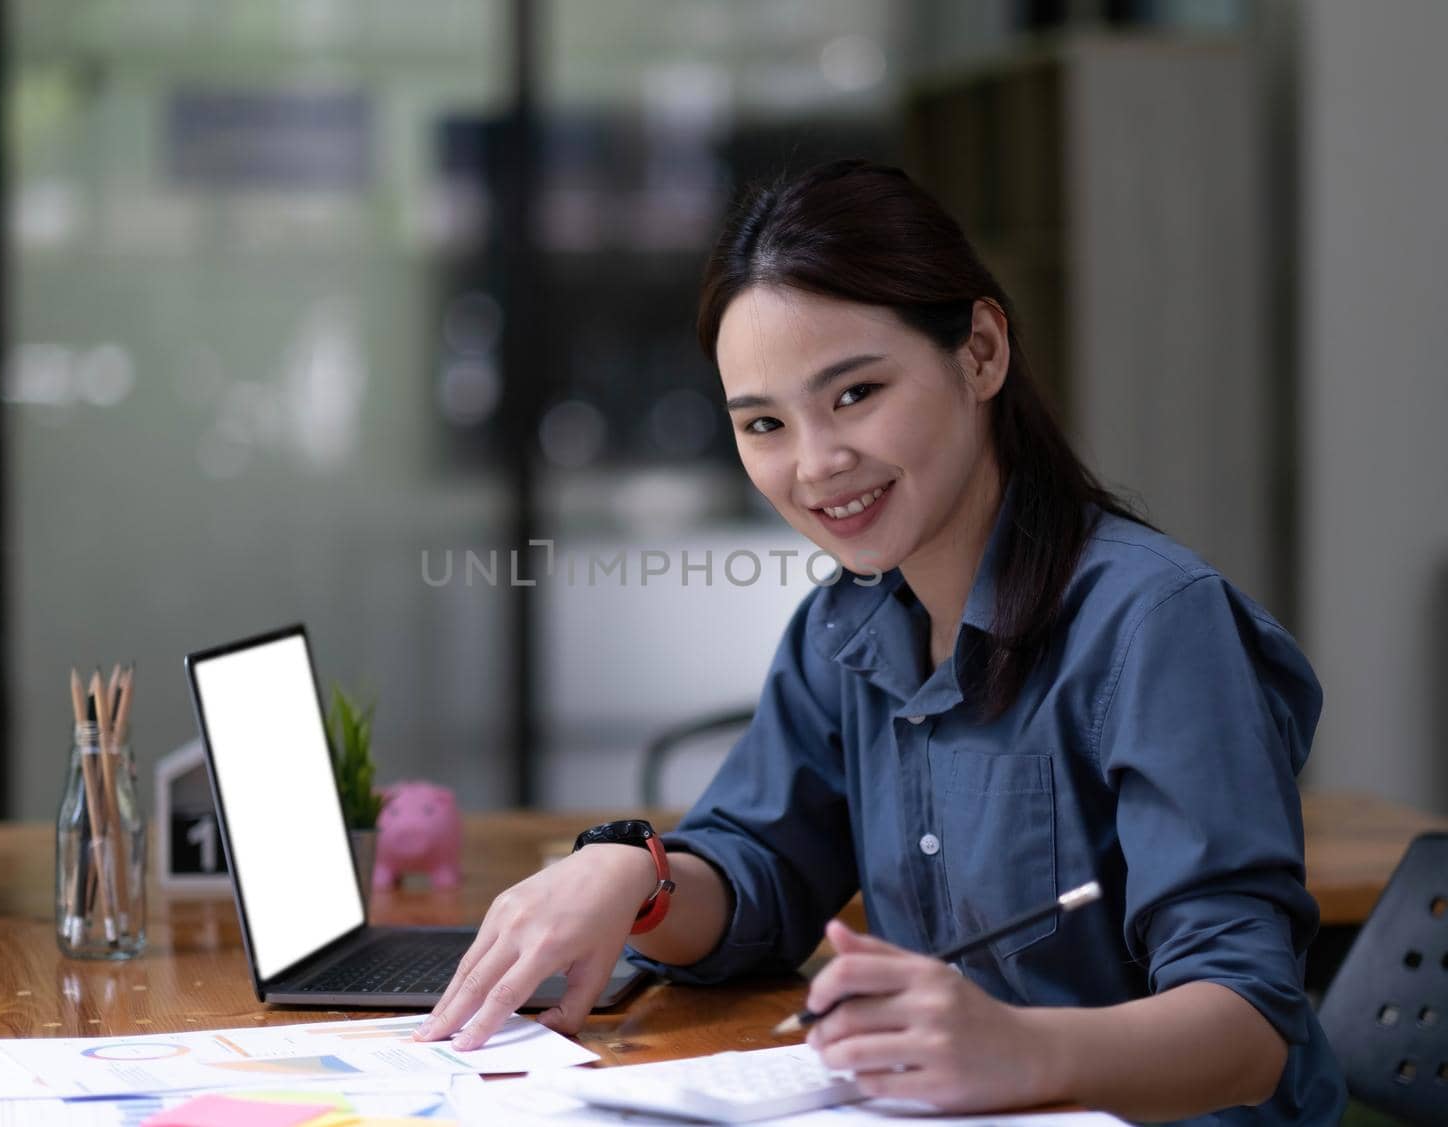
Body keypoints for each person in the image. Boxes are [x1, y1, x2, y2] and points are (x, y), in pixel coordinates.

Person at [413, 159, 1345, 1124]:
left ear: (981, 351)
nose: (816, 464)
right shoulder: (845, 625)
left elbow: (1248, 1031)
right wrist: (633, 875)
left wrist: (1011, 1047)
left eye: (855, 394)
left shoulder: (1157, 623)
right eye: (766, 422)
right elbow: (761, 877)